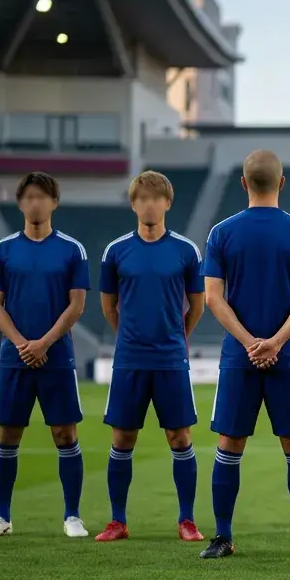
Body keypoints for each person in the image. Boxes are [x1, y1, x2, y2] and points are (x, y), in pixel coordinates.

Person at [199, 149, 290, 559]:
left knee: (230, 444)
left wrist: (250, 342)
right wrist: (276, 342)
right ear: (282, 183)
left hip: (239, 357)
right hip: (286, 356)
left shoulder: (221, 232)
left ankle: (222, 537)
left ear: (243, 183)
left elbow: (213, 299)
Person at [93, 171, 206, 544]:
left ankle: (187, 520)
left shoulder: (186, 251)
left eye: (155, 198)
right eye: (141, 198)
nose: (149, 204)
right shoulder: (116, 251)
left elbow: (197, 304)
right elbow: (108, 305)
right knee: (123, 438)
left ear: (167, 203)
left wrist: (178, 336)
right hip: (129, 360)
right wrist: (127, 336)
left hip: (171, 358)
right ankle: (117, 521)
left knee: (179, 437)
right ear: (133, 204)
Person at [0, 172, 90, 539]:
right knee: (8, 434)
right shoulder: (3, 250)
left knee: (64, 433)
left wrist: (43, 343)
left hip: (57, 356)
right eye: (28, 197)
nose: (35, 202)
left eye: (42, 196)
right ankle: (2, 517)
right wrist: (23, 343)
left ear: (54, 202)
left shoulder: (72, 250)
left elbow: (77, 305)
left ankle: (72, 516)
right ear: (20, 202)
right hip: (15, 357)